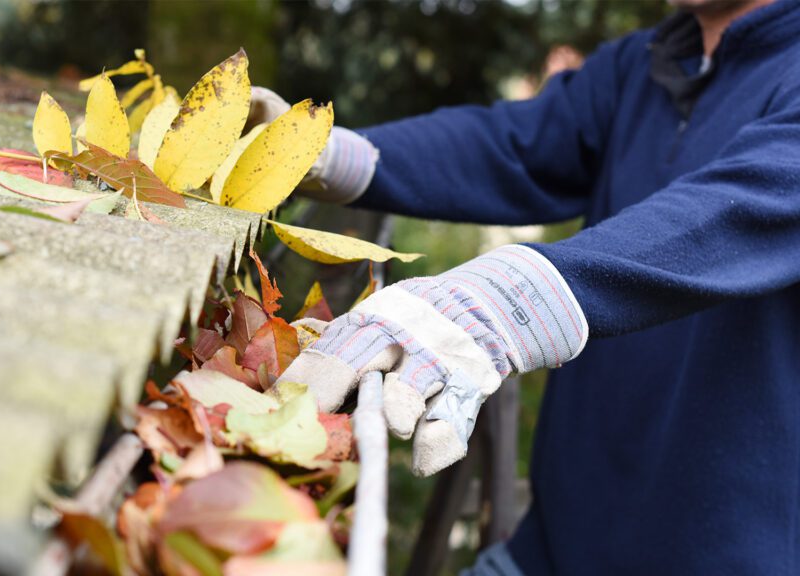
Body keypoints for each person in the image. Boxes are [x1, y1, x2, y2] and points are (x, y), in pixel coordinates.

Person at [253, 0, 800, 574]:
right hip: (549, 551)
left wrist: (510, 299)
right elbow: (511, 145)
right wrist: (324, 153)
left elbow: (743, 207)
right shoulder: (646, 66)